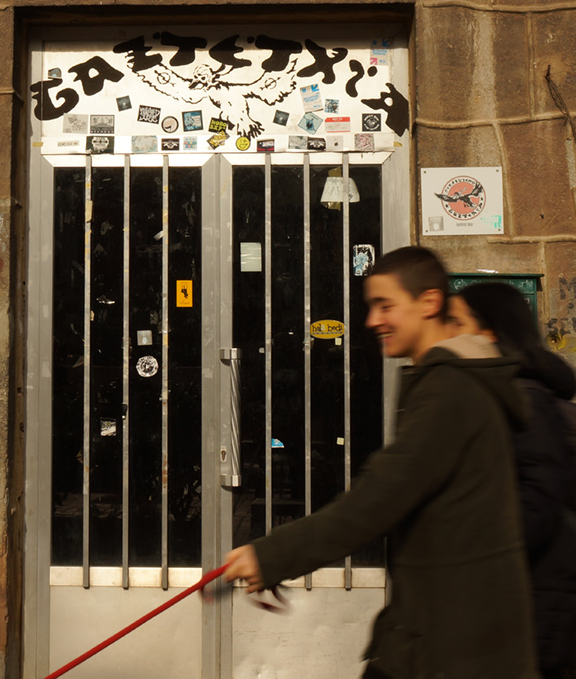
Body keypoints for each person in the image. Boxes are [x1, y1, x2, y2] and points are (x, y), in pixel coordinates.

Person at [223, 246, 538, 679]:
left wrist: (272, 554)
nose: (373, 321)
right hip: (435, 632)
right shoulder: (444, 381)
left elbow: (380, 497)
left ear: (428, 303)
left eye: (385, 305)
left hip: (458, 645)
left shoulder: (451, 390)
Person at [450, 282, 576, 677]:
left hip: (537, 598)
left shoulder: (525, 400)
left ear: (490, 332)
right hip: (526, 593)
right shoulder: (507, 395)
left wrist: (472, 554)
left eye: (456, 321)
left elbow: (538, 502)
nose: (447, 332)